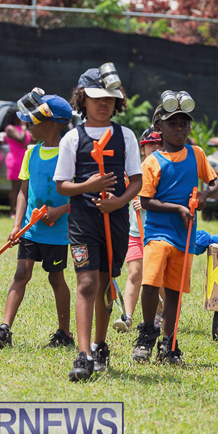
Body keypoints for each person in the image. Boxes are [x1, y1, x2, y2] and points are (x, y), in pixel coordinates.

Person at [55, 67, 143, 382]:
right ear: (83, 100)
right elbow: (62, 185)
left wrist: (119, 202)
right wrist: (88, 185)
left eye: (109, 99)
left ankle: (100, 343)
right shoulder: (72, 139)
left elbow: (136, 181)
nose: (102, 105)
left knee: (105, 283)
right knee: (87, 283)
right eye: (95, 99)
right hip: (82, 221)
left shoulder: (126, 136)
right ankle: (83, 354)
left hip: (116, 218)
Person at [0, 95, 74, 349]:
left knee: (56, 278)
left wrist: (59, 211)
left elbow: (78, 194)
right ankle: (4, 329)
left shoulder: (68, 154)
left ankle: (64, 334)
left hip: (57, 232)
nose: (28, 126)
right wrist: (17, 224)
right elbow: (24, 191)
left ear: (53, 124)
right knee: (21, 273)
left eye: (33, 121)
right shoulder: (31, 152)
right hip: (30, 228)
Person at [132, 104, 217, 365]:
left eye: (184, 123)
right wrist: (178, 208)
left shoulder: (197, 154)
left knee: (174, 291)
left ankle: (169, 342)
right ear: (159, 128)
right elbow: (145, 201)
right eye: (173, 124)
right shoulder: (152, 161)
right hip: (158, 232)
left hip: (185, 234)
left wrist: (204, 195)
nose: (180, 128)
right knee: (150, 284)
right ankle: (147, 333)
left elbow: (214, 182)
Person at [113, 128, 163, 332]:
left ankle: (162, 315)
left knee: (157, 279)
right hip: (135, 233)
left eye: (159, 144)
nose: (155, 148)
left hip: (158, 233)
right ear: (143, 149)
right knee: (134, 273)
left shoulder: (166, 169)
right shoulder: (136, 171)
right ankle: (128, 317)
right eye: (151, 144)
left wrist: (148, 203)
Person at [4, 111, 32, 218]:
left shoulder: (22, 129)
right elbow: (21, 139)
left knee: (25, 187)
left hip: (24, 159)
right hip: (15, 160)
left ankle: (22, 211)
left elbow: (32, 139)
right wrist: (24, 127)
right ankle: (12, 211)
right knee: (15, 188)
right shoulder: (10, 129)